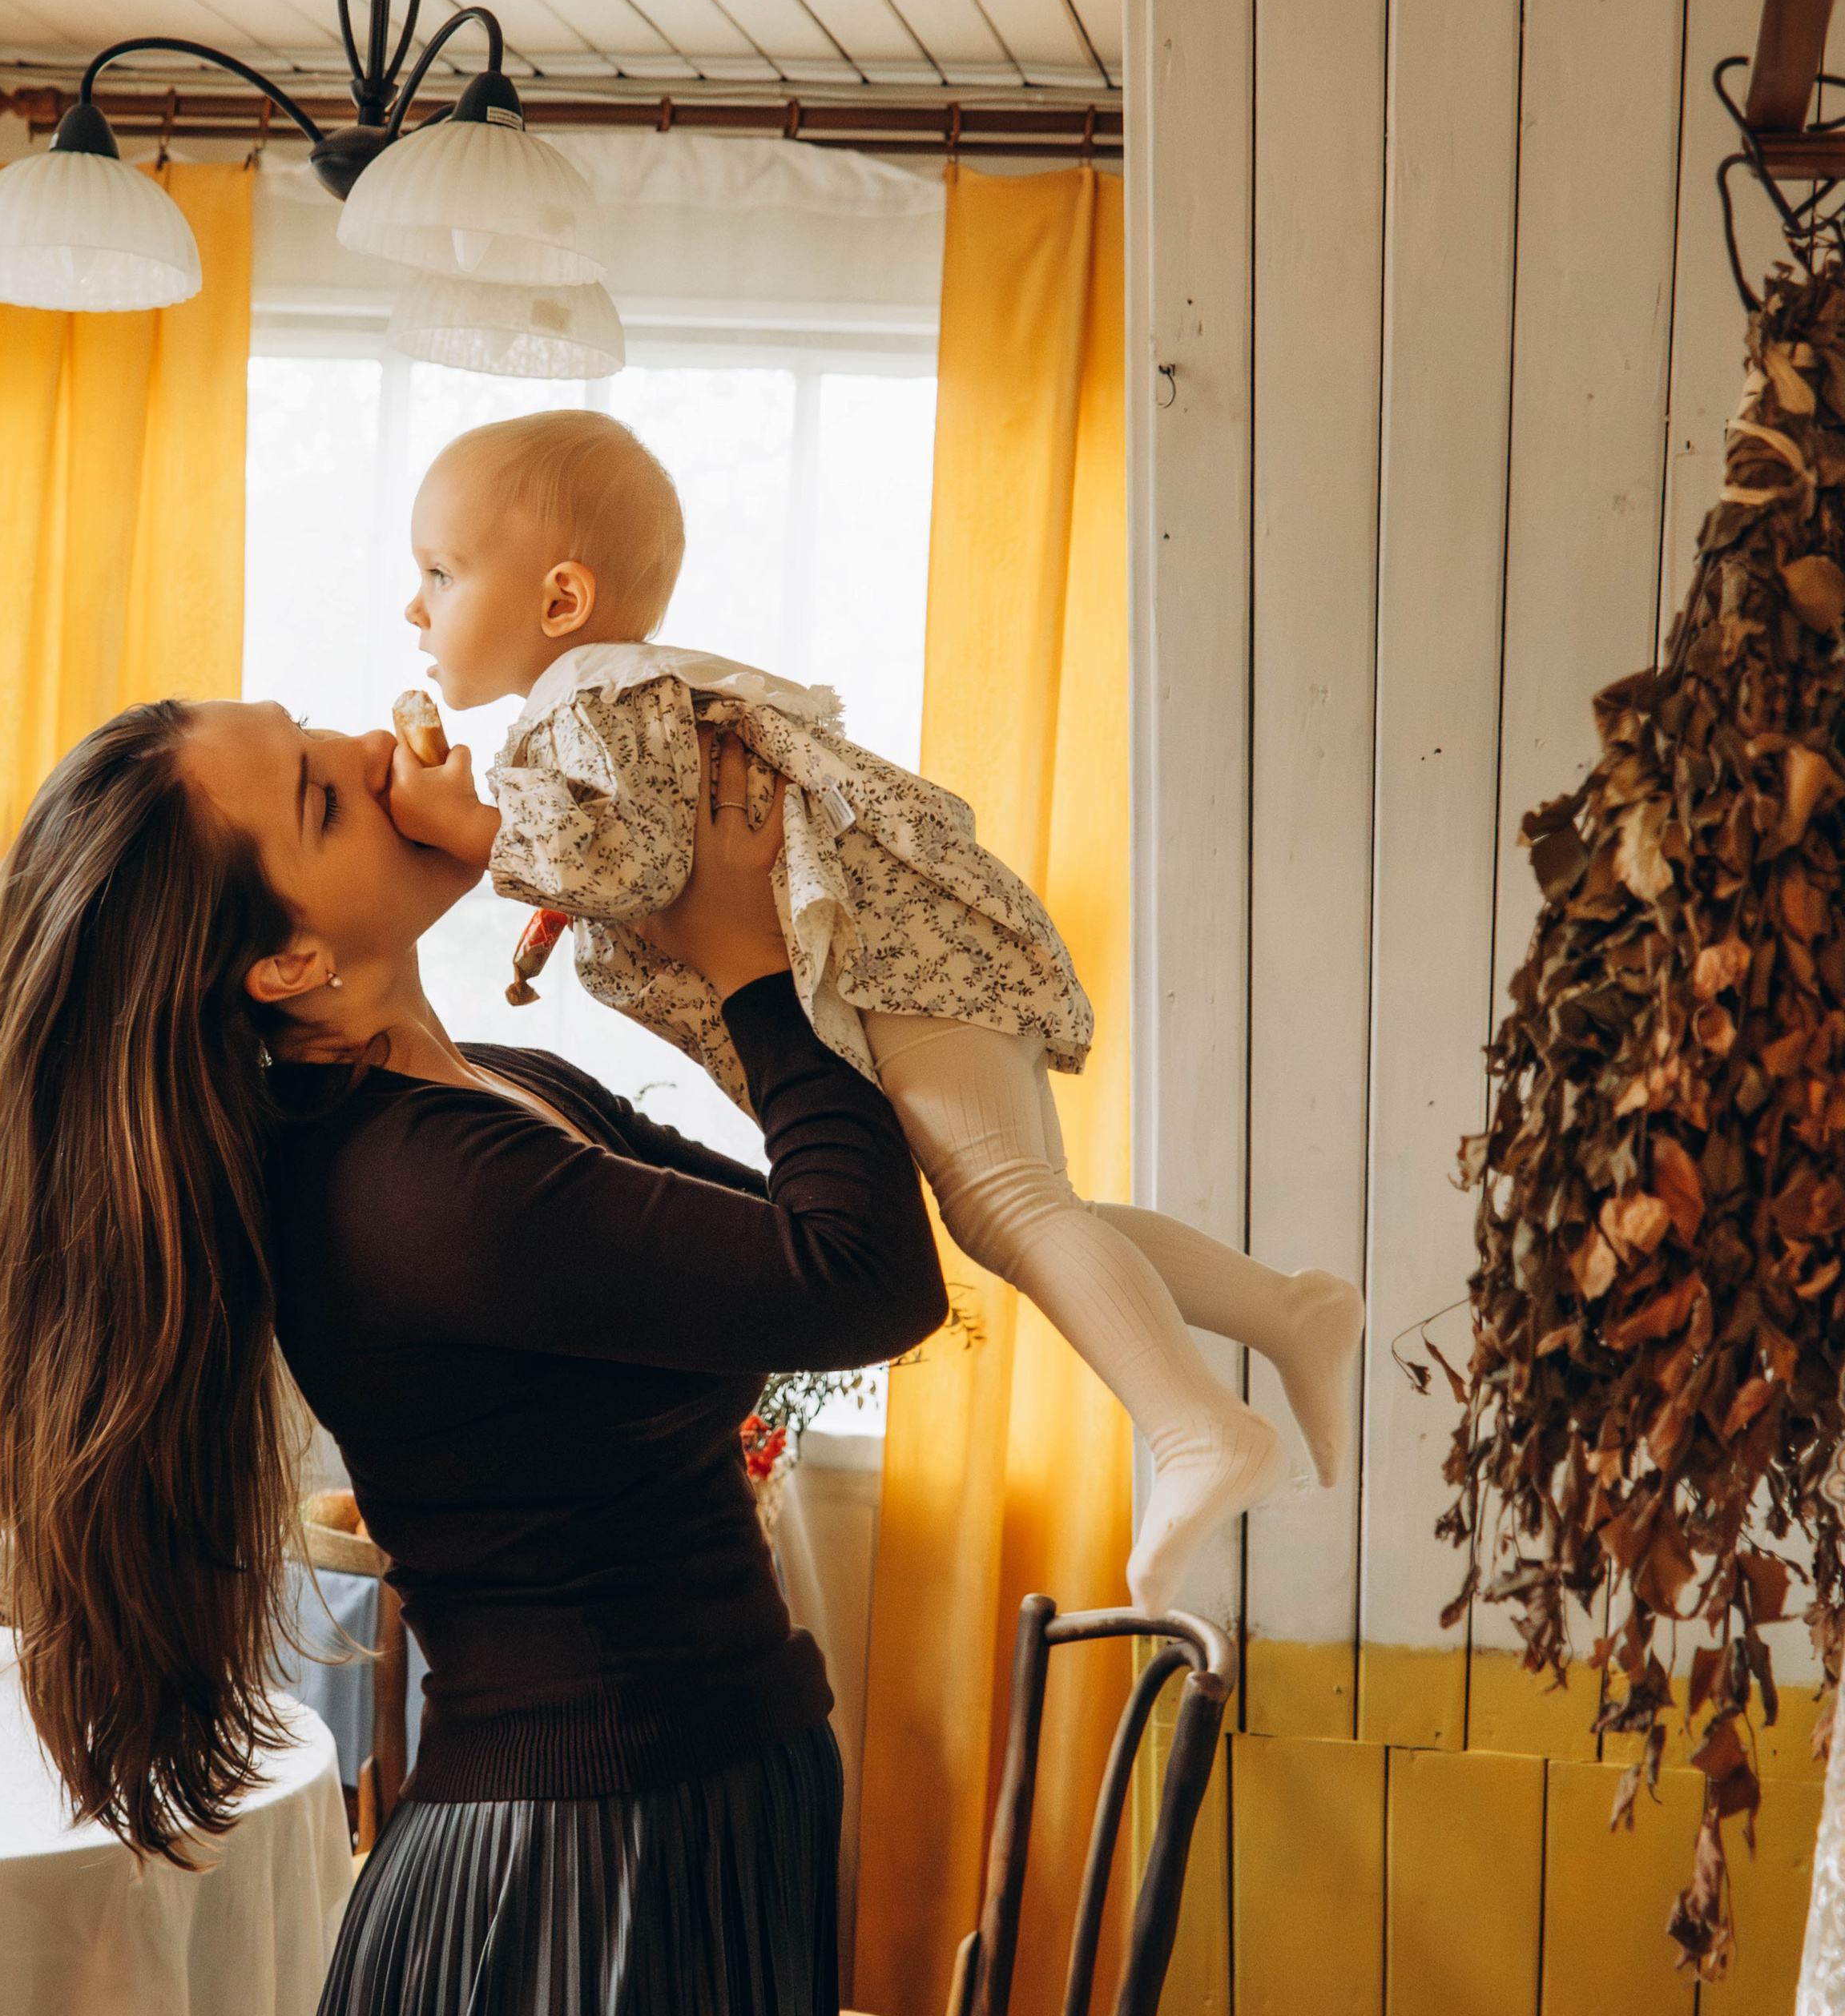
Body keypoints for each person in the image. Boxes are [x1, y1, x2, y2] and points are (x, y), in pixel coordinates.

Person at [0, 694, 945, 2016]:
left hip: (654, 1823)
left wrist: (646, 915)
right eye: (330, 792)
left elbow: (794, 1226)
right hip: (596, 1874)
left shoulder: (479, 1098)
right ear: (283, 964)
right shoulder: (422, 1189)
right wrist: (740, 962)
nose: (378, 736)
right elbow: (863, 1275)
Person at [387, 408, 1367, 1611]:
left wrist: (471, 831)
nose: (415, 608)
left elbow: (634, 865)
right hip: (891, 956)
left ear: (559, 600)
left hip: (885, 953)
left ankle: (1200, 1426)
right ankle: (1288, 1308)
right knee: (1024, 1207)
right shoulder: (608, 703)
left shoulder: (589, 694)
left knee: (1009, 1207)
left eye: (438, 572)